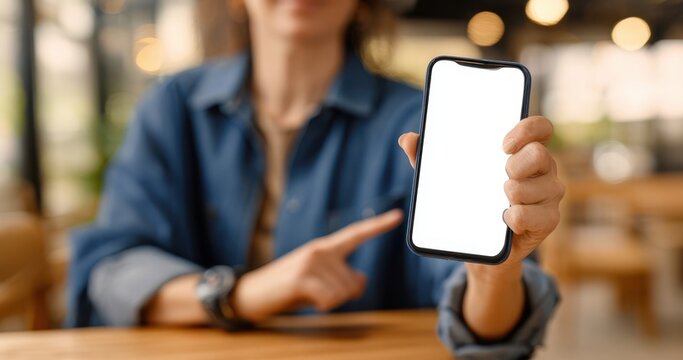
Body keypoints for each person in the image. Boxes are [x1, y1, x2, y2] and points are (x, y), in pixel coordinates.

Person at [67, 0, 565, 358]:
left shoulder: (420, 121)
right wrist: (248, 293)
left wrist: (493, 271)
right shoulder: (173, 107)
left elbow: (491, 336)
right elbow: (110, 270)